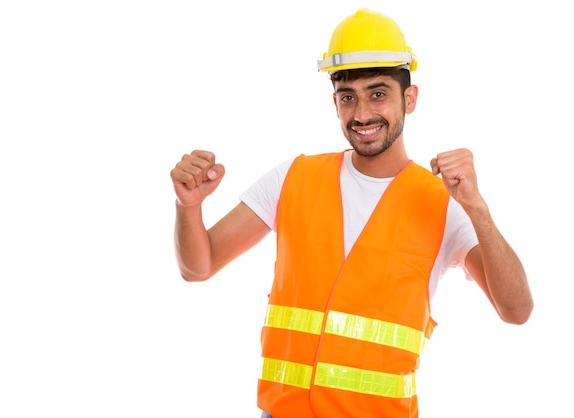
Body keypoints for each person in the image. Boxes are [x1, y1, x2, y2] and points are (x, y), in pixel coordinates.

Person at [169, 8, 534, 418]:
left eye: (378, 93)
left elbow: (517, 310)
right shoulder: (293, 177)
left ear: (409, 98)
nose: (361, 115)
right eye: (348, 97)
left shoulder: (444, 202)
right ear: (335, 102)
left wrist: (478, 209)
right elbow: (198, 267)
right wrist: (189, 206)